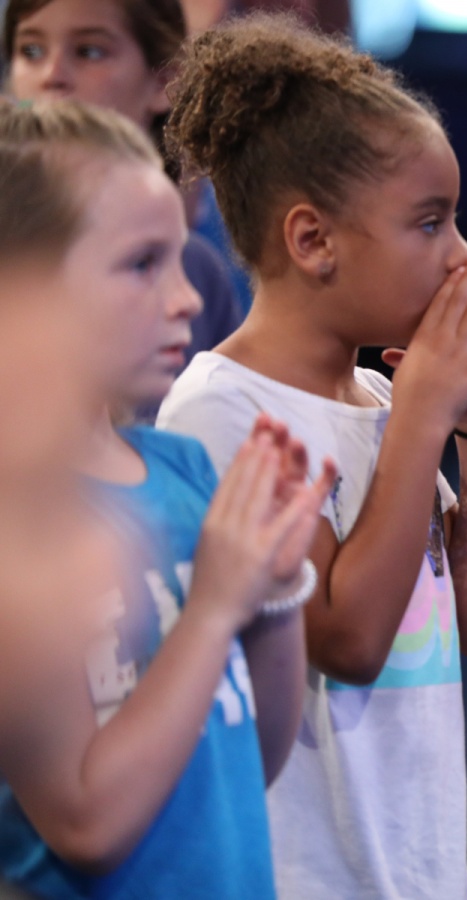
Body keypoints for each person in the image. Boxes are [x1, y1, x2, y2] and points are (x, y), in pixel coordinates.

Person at [157, 15, 467, 899]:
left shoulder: (383, 401)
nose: (463, 256)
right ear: (313, 241)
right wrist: (426, 414)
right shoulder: (222, 411)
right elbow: (349, 640)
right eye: (429, 223)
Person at [0, 98, 333, 899]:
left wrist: (274, 590)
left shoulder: (182, 469)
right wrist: (214, 606)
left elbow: (252, 758)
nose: (186, 298)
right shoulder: (21, 522)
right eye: (142, 264)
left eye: (178, 260)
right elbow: (86, 825)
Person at [4, 0, 245, 364]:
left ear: (164, 81)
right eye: (31, 51)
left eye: (89, 51)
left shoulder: (199, 273)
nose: (52, 75)